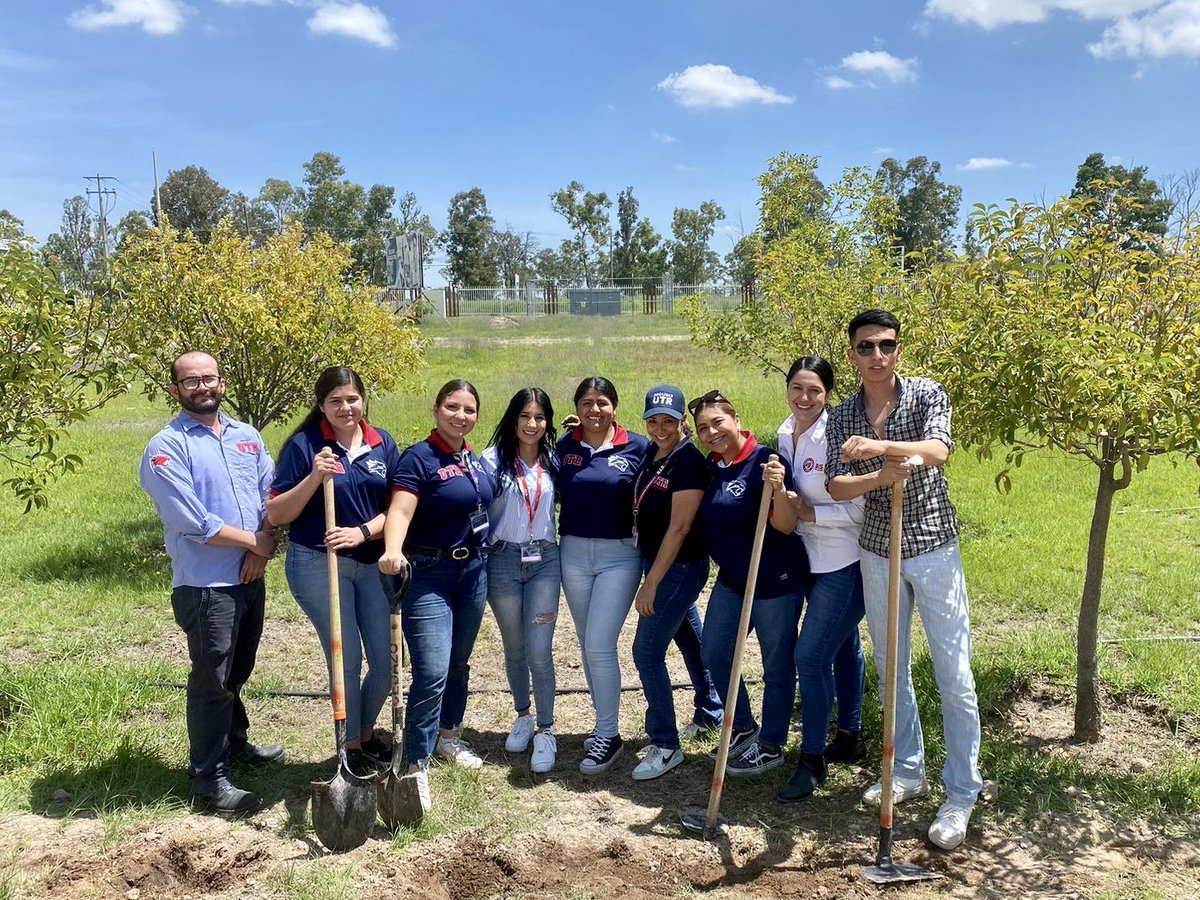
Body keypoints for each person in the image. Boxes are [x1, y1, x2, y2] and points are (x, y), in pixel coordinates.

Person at [826, 308, 983, 851]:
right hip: (878, 550)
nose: (876, 355)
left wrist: (882, 448)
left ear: (898, 349)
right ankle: (908, 771)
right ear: (851, 356)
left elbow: (938, 451)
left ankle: (961, 790)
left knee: (952, 671)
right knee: (892, 669)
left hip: (934, 545)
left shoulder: (925, 394)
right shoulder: (844, 413)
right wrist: (878, 474)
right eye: (865, 347)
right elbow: (837, 484)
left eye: (885, 345)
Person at [139, 351, 283, 816]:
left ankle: (234, 744)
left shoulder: (247, 436)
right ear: (175, 390)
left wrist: (264, 546)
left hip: (248, 577)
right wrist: (257, 544)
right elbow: (191, 519)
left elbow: (271, 495)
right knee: (212, 680)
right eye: (191, 380)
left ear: (222, 383)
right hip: (206, 586)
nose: (202, 387)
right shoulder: (166, 447)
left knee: (238, 669)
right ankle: (208, 778)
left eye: (209, 378)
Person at [266, 367, 400, 778]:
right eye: (335, 401)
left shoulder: (382, 444)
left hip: (371, 562)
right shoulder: (306, 446)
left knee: (386, 659)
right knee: (347, 656)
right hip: (318, 563)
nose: (346, 408)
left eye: (352, 399)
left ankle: (363, 732)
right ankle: (350, 747)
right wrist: (314, 476)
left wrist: (363, 532)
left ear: (363, 399)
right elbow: (276, 513)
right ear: (321, 405)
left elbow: (398, 509)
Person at [379, 380, 496, 799]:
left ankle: (449, 735)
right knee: (431, 670)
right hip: (428, 573)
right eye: (452, 407)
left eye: (468, 410)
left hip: (473, 572)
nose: (460, 416)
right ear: (435, 409)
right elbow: (401, 509)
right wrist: (393, 549)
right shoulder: (419, 458)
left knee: (459, 662)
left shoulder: (474, 459)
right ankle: (416, 761)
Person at [690, 390, 806, 776]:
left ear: (736, 420)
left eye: (717, 423)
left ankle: (771, 744)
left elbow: (787, 525)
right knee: (715, 653)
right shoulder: (713, 466)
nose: (711, 432)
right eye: (703, 428)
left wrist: (777, 490)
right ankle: (741, 727)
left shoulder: (766, 462)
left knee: (776, 663)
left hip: (775, 581)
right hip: (734, 580)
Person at [773, 357, 868, 803]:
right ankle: (849, 734)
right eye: (797, 387)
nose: (804, 398)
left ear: (828, 393)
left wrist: (808, 513)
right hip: (805, 560)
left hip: (843, 562)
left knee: (809, 658)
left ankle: (812, 760)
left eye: (814, 390)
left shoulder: (837, 438)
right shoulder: (783, 432)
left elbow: (858, 511)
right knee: (843, 644)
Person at [629, 385, 723, 781]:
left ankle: (666, 745)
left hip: (677, 568)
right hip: (659, 562)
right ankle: (711, 709)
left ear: (683, 421)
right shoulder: (655, 451)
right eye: (653, 420)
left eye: (669, 421)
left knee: (646, 652)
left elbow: (681, 527)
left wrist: (651, 582)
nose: (660, 427)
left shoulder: (688, 463)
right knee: (689, 638)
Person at [557, 376, 649, 775]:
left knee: (599, 642)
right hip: (573, 552)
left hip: (620, 555)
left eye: (602, 403)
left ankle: (609, 735)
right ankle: (602, 724)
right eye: (586, 402)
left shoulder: (637, 447)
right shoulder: (565, 447)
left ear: (615, 406)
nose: (594, 410)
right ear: (576, 407)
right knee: (585, 641)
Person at [481, 388, 561, 775]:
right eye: (525, 416)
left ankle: (547, 729)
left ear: (548, 422)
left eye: (540, 417)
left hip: (544, 558)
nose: (532, 424)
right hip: (503, 560)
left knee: (539, 649)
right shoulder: (490, 461)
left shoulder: (555, 460)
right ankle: (523, 715)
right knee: (514, 647)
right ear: (513, 419)